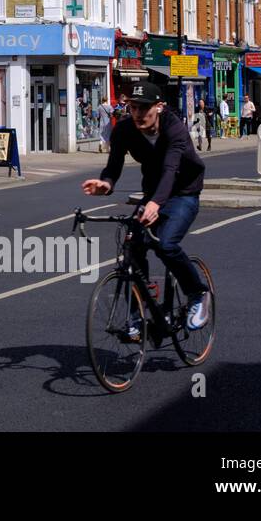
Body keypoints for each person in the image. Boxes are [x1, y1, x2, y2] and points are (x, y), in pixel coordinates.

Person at [81, 81, 210, 336]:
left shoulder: (174, 129)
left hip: (184, 192)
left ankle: (198, 294)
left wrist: (154, 204)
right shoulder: (125, 130)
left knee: (166, 244)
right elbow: (113, 165)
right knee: (133, 244)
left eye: (144, 108)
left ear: (159, 107)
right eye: (133, 107)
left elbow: (170, 169)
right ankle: (138, 311)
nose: (138, 113)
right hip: (153, 192)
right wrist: (105, 184)